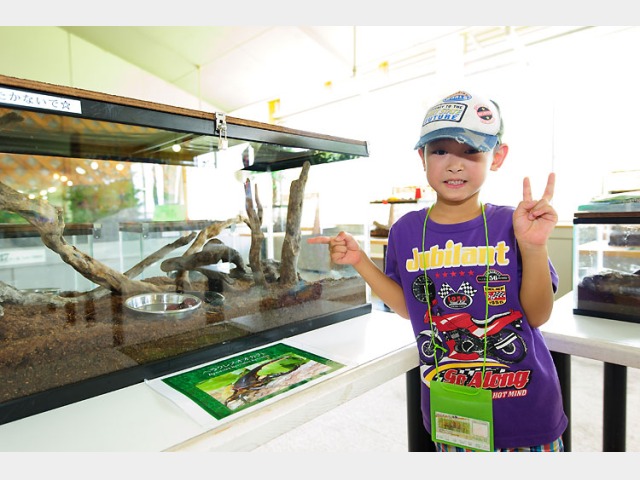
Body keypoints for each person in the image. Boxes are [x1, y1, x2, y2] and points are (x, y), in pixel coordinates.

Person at [308, 90, 568, 452]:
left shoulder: (514, 224)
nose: (454, 165)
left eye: (471, 151)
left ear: (497, 156)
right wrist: (360, 261)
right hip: (453, 414)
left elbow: (537, 316)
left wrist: (534, 247)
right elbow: (409, 307)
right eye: (440, 150)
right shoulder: (405, 230)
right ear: (422, 157)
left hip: (527, 409)